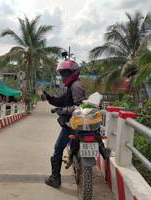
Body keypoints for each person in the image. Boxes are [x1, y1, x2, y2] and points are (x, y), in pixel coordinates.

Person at [42, 59, 110, 188]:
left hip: (74, 124)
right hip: (81, 123)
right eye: (62, 74)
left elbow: (79, 107)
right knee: (95, 132)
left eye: (66, 73)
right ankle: (103, 150)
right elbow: (61, 100)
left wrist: (63, 110)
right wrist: (49, 98)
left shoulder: (76, 86)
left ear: (73, 72)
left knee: (57, 148)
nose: (64, 76)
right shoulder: (72, 85)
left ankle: (55, 178)